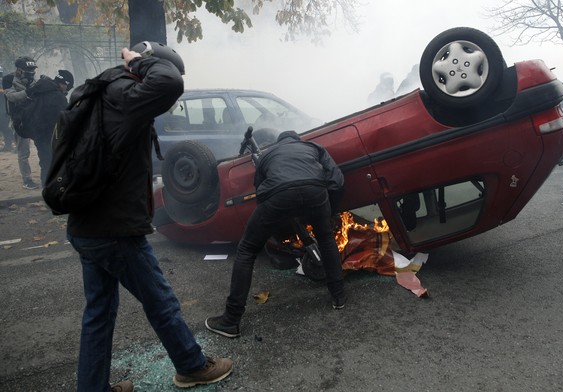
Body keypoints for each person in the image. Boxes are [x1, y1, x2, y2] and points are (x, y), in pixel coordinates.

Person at [66, 42, 233, 392]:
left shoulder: (102, 97)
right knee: (160, 300)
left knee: (98, 314)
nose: (173, 103)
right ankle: (191, 365)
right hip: (115, 230)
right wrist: (141, 60)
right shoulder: (126, 96)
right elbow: (169, 83)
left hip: (86, 225)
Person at [205, 130, 346, 339]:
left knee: (246, 249)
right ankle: (339, 297)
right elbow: (336, 179)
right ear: (298, 140)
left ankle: (231, 320)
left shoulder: (269, 154)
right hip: (315, 190)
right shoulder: (313, 147)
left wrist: (271, 219)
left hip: (277, 195)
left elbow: (260, 190)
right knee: (325, 239)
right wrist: (327, 207)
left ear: (279, 142)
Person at [23, 69, 73, 185]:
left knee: (45, 163)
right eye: (67, 87)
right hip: (51, 135)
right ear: (63, 84)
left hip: (38, 134)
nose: (67, 90)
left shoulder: (38, 90)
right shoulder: (58, 97)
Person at [4, 56, 39, 189]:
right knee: (23, 153)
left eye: (32, 69)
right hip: (19, 121)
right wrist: (28, 92)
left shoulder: (33, 80)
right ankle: (27, 179)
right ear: (18, 69)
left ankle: (46, 174)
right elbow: (11, 97)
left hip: (35, 119)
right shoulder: (8, 79)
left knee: (42, 147)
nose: (30, 72)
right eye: (27, 69)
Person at [0, 65, 15, 152]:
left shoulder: (4, 82)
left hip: (4, 109)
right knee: (5, 128)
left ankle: (9, 145)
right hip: (4, 109)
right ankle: (8, 145)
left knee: (5, 128)